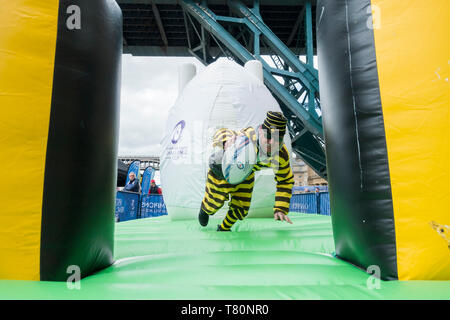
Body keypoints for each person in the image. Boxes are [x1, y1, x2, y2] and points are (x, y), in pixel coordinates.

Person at [198, 111, 294, 231]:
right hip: (222, 169)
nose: (271, 143)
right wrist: (227, 141)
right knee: (213, 202)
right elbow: (221, 132)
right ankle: (205, 209)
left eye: (277, 139)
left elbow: (285, 180)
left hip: (246, 172)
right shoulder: (249, 137)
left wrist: (280, 208)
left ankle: (223, 228)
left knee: (242, 207)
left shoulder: (280, 155)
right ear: (260, 131)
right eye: (268, 136)